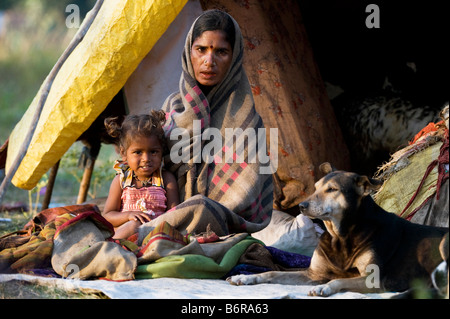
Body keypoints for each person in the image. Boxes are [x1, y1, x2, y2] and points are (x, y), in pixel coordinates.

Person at [153, 9, 273, 236]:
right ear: (189, 52)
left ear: (234, 57)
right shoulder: (172, 109)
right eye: (201, 50)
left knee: (201, 210)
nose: (209, 61)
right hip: (164, 222)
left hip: (223, 229)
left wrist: (205, 213)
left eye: (221, 52)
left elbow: (247, 192)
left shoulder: (248, 121)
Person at [103, 110, 179, 239]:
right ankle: (109, 247)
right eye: (138, 152)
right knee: (134, 225)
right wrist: (128, 215)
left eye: (153, 152)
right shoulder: (121, 180)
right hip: (125, 234)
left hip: (155, 234)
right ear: (124, 153)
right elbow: (108, 215)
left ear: (162, 151)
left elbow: (175, 214)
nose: (146, 158)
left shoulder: (165, 179)